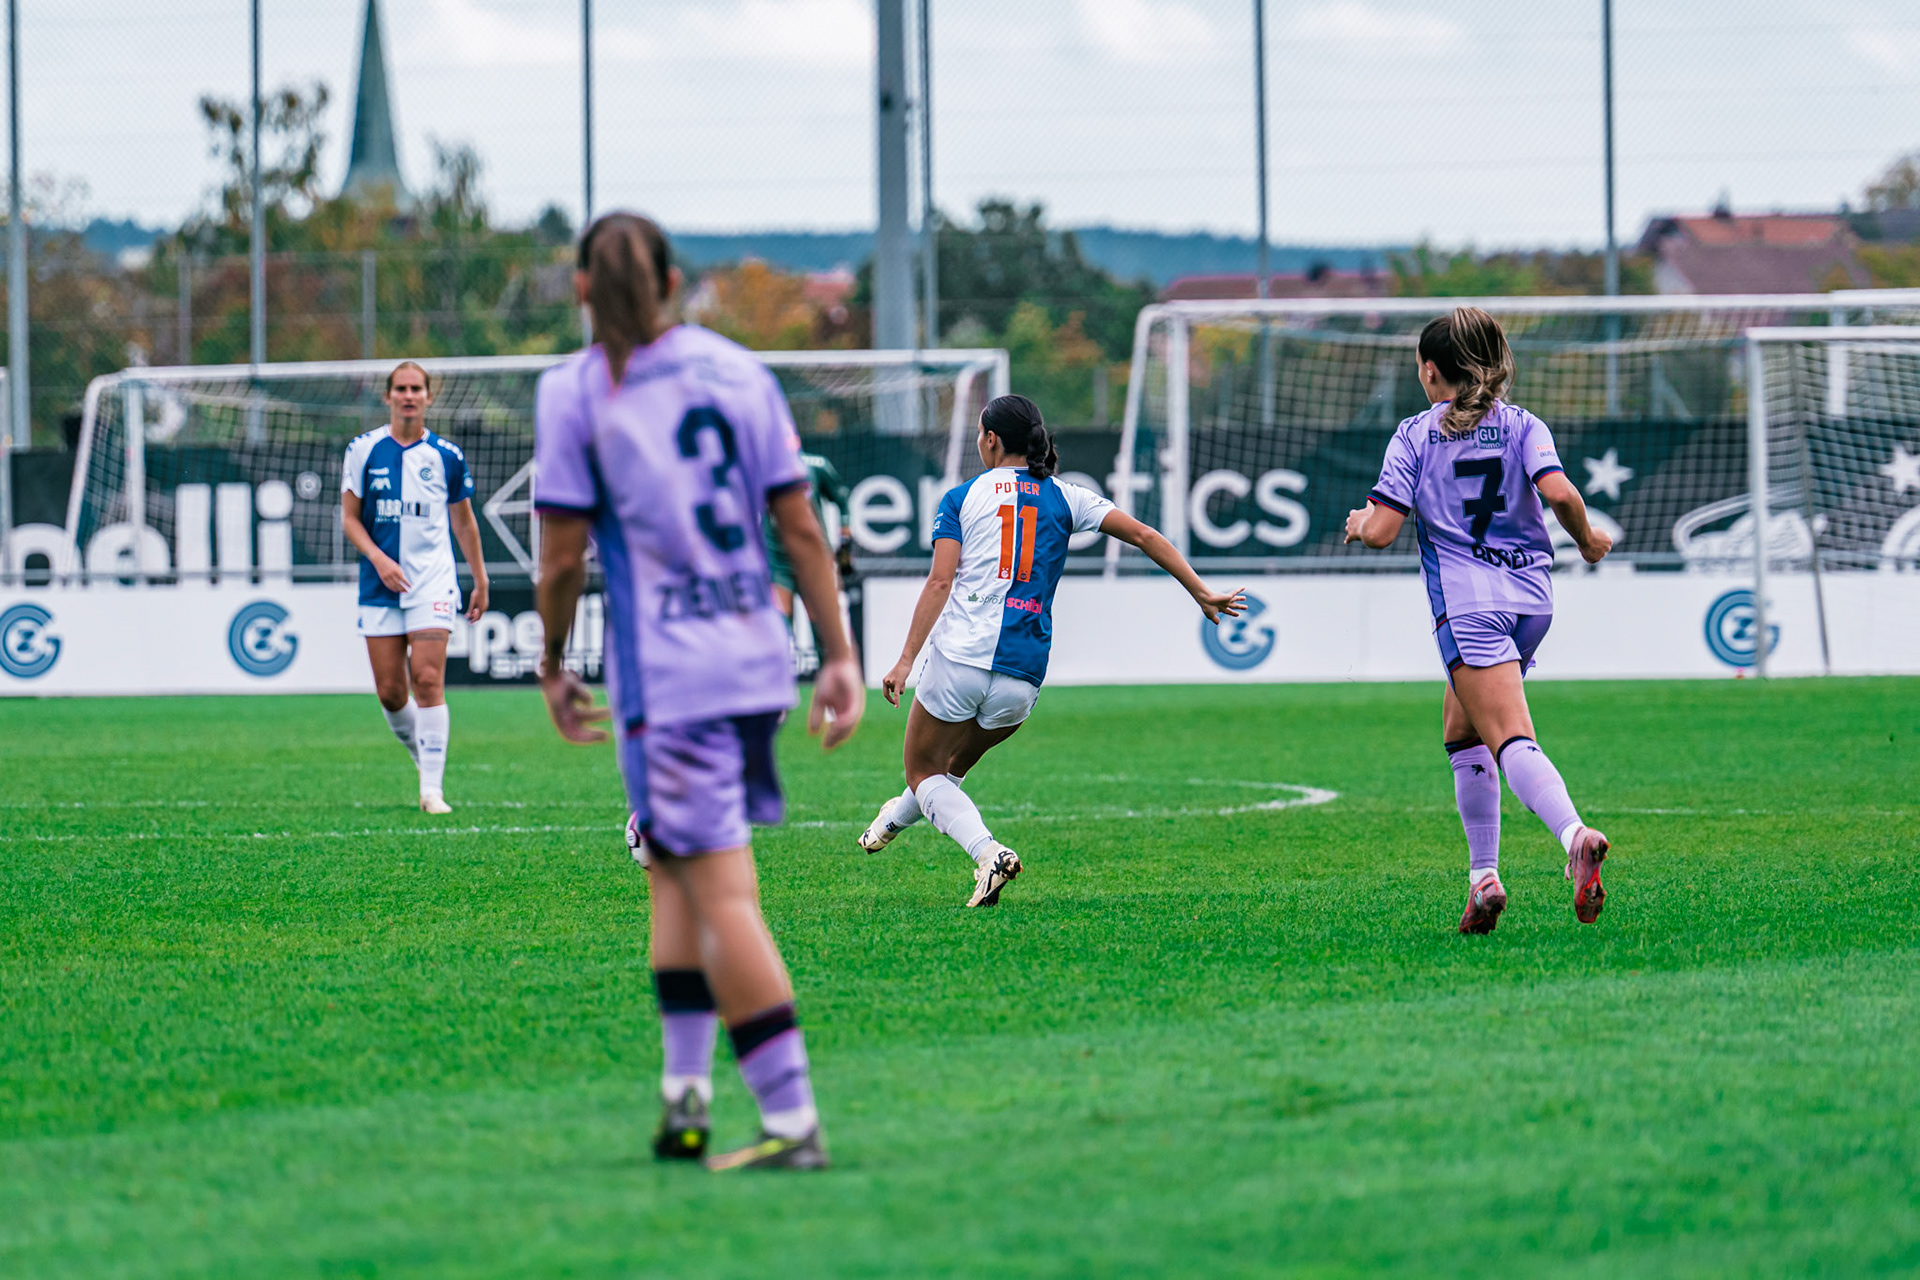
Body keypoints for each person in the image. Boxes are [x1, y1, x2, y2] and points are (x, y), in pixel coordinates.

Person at [532, 212, 864, 1173]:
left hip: (670, 678)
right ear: (674, 282)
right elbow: (800, 530)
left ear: (581, 289)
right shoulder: (740, 372)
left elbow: (561, 561)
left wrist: (551, 660)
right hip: (753, 658)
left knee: (721, 892)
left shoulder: (575, 391)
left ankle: (793, 1120)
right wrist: (838, 653)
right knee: (671, 868)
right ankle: (685, 1100)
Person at [860, 394, 1244, 906]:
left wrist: (906, 659)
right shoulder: (1067, 496)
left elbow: (940, 582)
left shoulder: (962, 498)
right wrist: (1200, 591)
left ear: (991, 440)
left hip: (961, 659)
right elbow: (1144, 535)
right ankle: (890, 821)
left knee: (924, 772)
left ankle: (989, 853)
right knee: (949, 772)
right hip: (1022, 675)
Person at [1341, 306, 1614, 935]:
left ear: (1429, 371)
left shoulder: (1415, 435)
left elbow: (1381, 532)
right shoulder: (1521, 424)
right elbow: (1561, 494)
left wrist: (1359, 524)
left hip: (1470, 606)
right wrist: (1588, 541)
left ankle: (1574, 836)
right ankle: (1482, 879)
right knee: (1461, 729)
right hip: (1532, 601)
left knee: (1509, 737)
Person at [341, 361, 488, 814]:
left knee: (426, 679)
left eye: (416, 389)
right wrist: (379, 559)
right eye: (401, 389)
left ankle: (431, 790)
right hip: (380, 583)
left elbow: (464, 523)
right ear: (388, 396)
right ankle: (424, 755)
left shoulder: (447, 455)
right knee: (391, 692)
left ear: (429, 396)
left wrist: (480, 578)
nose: (408, 396)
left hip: (433, 583)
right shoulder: (362, 450)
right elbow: (349, 519)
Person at [763, 449, 851, 677]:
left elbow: (842, 498)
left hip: (812, 560)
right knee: (779, 629)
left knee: (823, 629)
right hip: (777, 560)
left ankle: (831, 686)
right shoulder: (761, 466)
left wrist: (844, 542)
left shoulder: (815, 465)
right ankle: (778, 690)